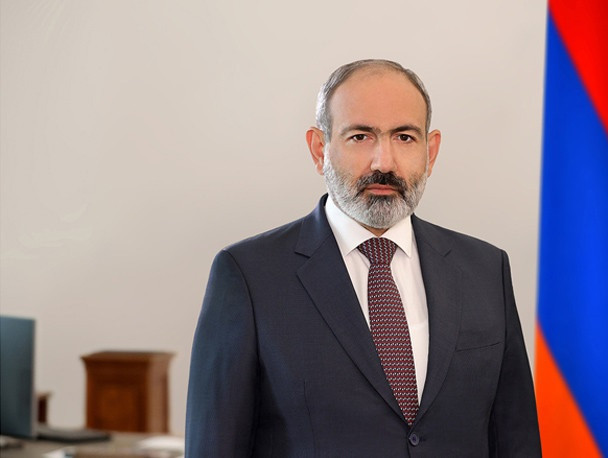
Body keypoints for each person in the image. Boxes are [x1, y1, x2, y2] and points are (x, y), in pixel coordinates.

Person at [185, 59, 541, 457]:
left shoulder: (486, 270)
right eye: (360, 136)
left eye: (404, 137)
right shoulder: (249, 276)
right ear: (319, 149)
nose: (383, 163)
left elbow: (517, 442)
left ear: (431, 151)